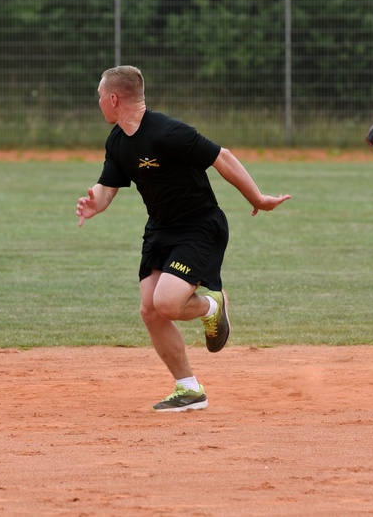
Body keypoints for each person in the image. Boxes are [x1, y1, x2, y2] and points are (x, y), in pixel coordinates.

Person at [76, 65, 291, 413]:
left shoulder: (167, 132)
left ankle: (212, 306)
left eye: (100, 96)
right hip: (160, 230)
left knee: (167, 303)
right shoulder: (117, 140)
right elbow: (107, 186)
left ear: (114, 99)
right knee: (150, 309)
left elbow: (222, 157)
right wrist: (93, 205)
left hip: (199, 225)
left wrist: (258, 198)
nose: (98, 102)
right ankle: (189, 388)